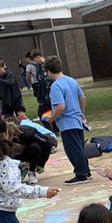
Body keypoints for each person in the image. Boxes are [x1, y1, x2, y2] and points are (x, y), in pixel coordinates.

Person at [44, 55, 90, 184]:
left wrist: (52, 118)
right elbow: (82, 98)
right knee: (79, 147)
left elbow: (60, 106)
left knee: (73, 149)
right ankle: (86, 171)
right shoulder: (71, 80)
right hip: (77, 120)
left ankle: (81, 174)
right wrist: (82, 113)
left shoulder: (56, 86)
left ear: (48, 71)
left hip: (66, 122)